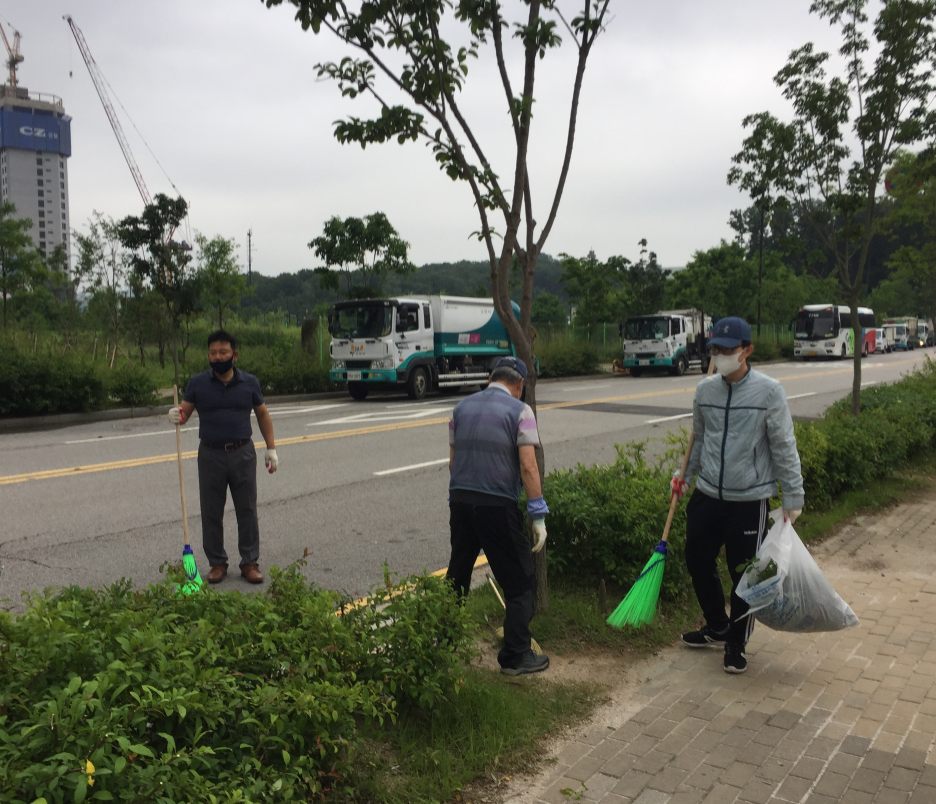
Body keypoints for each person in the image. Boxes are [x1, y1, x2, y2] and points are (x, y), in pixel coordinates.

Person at [674, 316, 804, 674]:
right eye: (715, 348)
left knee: (746, 574)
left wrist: (793, 496)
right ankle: (717, 624)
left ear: (747, 350)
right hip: (707, 493)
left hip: (749, 500)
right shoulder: (705, 391)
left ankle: (736, 640)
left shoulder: (769, 392)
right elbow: (699, 441)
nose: (720, 355)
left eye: (728, 349)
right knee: (697, 558)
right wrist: (683, 478)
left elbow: (783, 446)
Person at [446, 355, 550, 676]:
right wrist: (538, 515)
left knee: (457, 575)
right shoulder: (521, 411)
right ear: (520, 384)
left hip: (460, 502)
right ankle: (516, 655)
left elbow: (452, 463)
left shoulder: (460, 408)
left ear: (490, 379)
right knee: (520, 581)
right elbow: (528, 466)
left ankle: (442, 642)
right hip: (497, 505)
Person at [167, 329, 278, 585]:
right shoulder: (197, 383)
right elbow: (184, 413)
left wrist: (271, 447)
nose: (218, 357)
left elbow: (262, 414)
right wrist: (175, 415)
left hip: (242, 452)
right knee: (211, 511)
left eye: (223, 352)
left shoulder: (249, 382)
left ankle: (249, 562)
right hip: (210, 454)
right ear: (208, 355)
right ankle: (217, 563)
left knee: (247, 509)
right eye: (213, 353)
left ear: (234, 355)